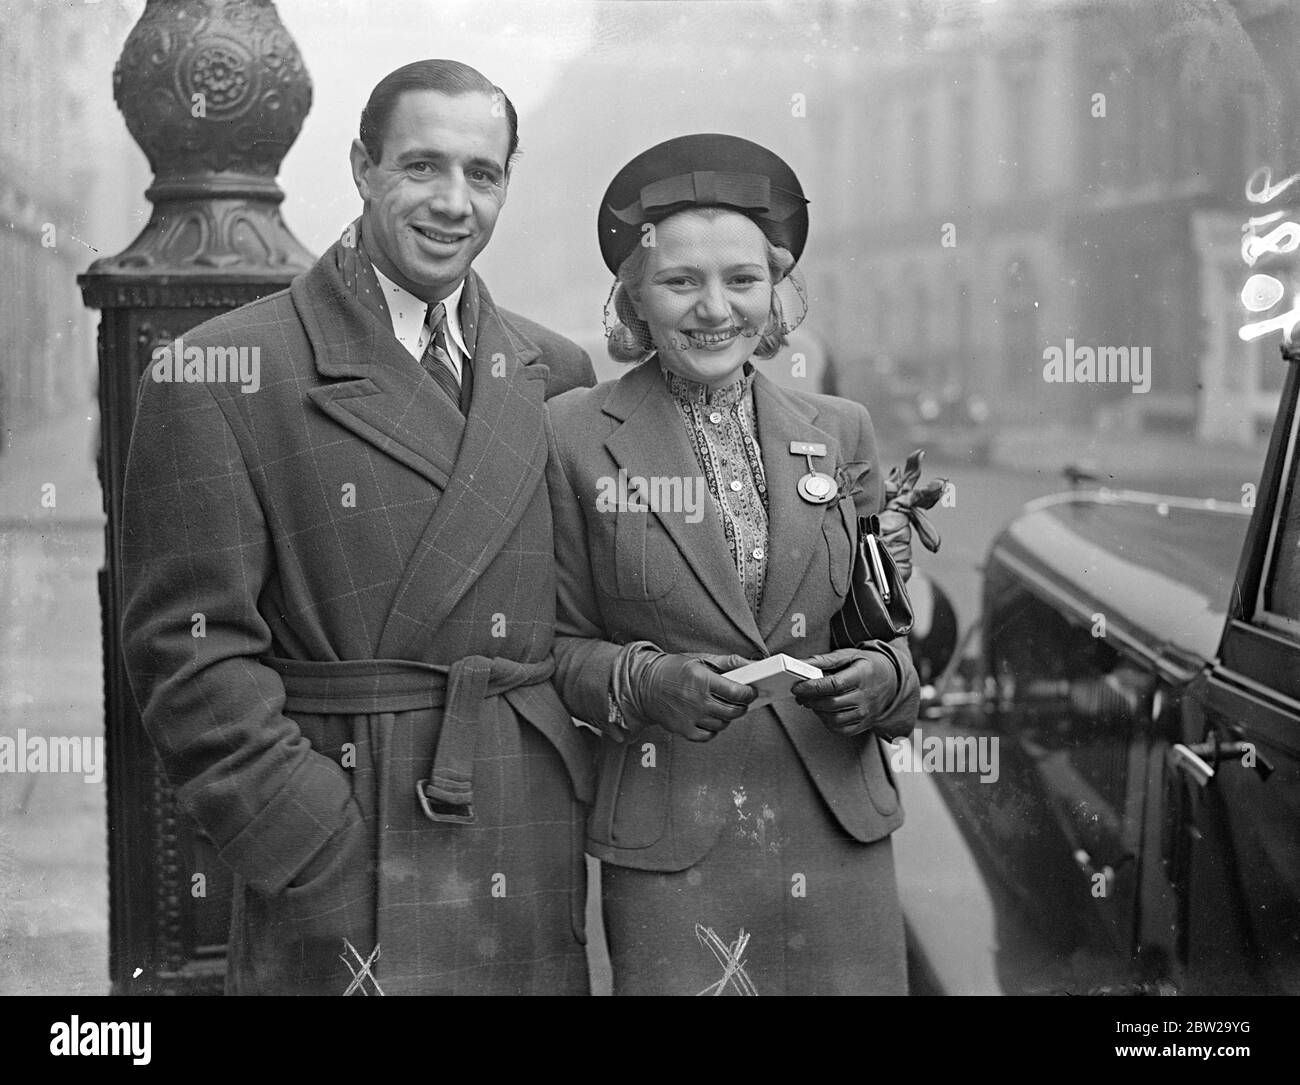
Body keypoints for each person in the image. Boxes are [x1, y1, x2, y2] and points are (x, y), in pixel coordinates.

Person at [120, 59, 596, 995]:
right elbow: (187, 650)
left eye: (483, 174)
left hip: (525, 837)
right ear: (361, 167)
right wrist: (306, 837)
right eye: (421, 167)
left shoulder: (555, 369)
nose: (454, 203)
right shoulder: (220, 370)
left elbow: (592, 616)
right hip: (348, 847)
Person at [546, 133, 920, 995]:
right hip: (675, 841)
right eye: (682, 281)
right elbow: (554, 648)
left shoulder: (842, 428)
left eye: (742, 280)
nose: (715, 309)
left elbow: (892, 632)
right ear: (635, 297)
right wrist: (650, 683)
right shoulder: (570, 433)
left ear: (776, 293)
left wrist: (880, 678)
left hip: (840, 829)